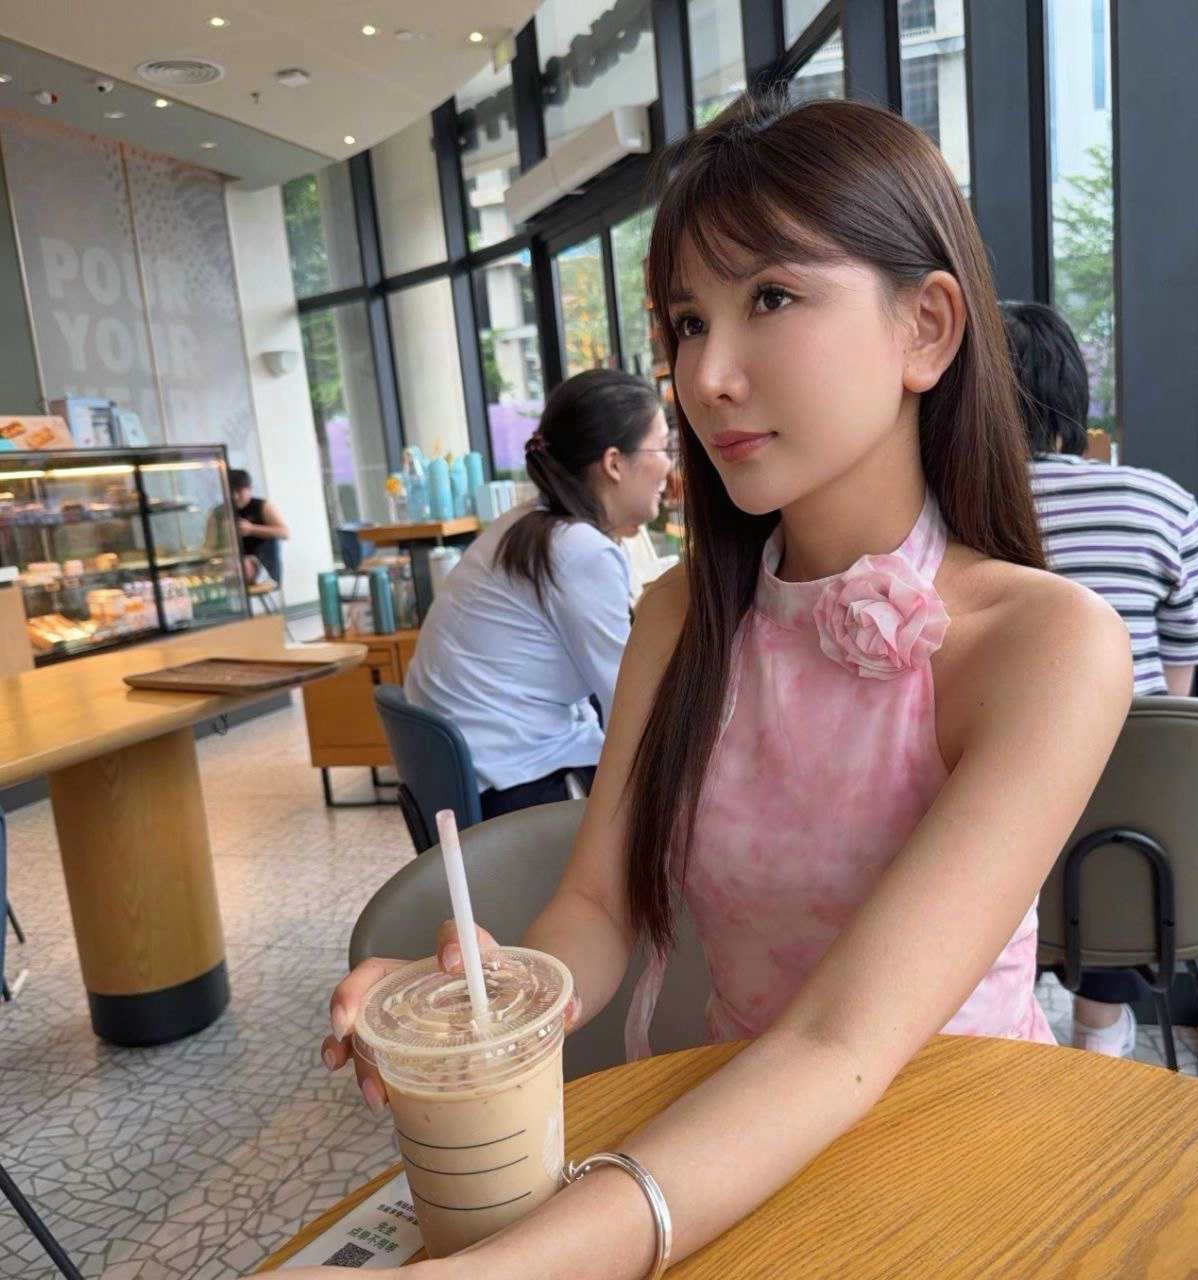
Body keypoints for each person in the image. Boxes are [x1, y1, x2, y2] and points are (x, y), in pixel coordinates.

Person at [310, 95, 1131, 1280]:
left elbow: (841, 1039)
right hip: (729, 1154)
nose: (705, 374)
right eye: (687, 321)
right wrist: (494, 997)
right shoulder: (679, 615)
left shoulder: (1046, 645)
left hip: (965, 1160)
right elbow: (599, 905)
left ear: (926, 327)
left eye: (772, 298)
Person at [1002, 299, 1198, 1058]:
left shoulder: (953, 508)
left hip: (995, 834)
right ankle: (1099, 1030)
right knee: (1124, 767)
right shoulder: (1162, 502)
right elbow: (1178, 688)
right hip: (1138, 855)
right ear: (1074, 392)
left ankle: (1008, 1025)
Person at [404, 368, 672, 819]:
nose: (669, 466)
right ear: (614, 463)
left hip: (475, 770)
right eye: (661, 448)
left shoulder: (528, 523)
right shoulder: (579, 550)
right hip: (516, 785)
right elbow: (632, 706)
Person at [209, 468, 289, 586]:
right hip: (232, 571)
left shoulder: (262, 506)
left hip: (263, 569)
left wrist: (252, 529)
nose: (235, 496)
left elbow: (284, 533)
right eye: (230, 492)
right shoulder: (218, 512)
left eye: (239, 491)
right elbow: (209, 546)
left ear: (249, 489)